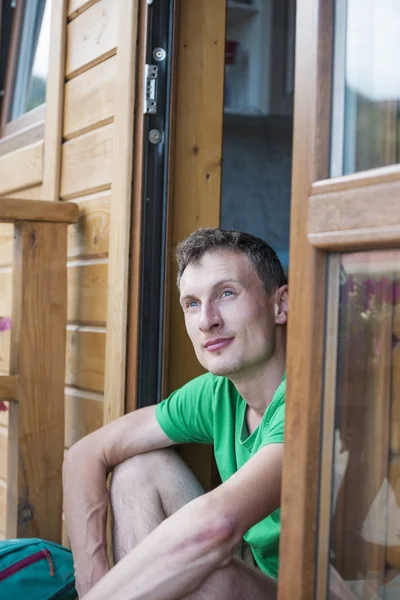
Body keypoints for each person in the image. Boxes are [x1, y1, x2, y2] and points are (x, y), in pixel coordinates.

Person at [62, 228, 353, 600]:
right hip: (266, 578)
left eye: (227, 294)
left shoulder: (309, 398)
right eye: (192, 304)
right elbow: (85, 455)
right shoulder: (217, 393)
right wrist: (92, 586)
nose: (207, 321)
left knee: (199, 570)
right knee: (139, 470)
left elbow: (216, 527)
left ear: (281, 305)